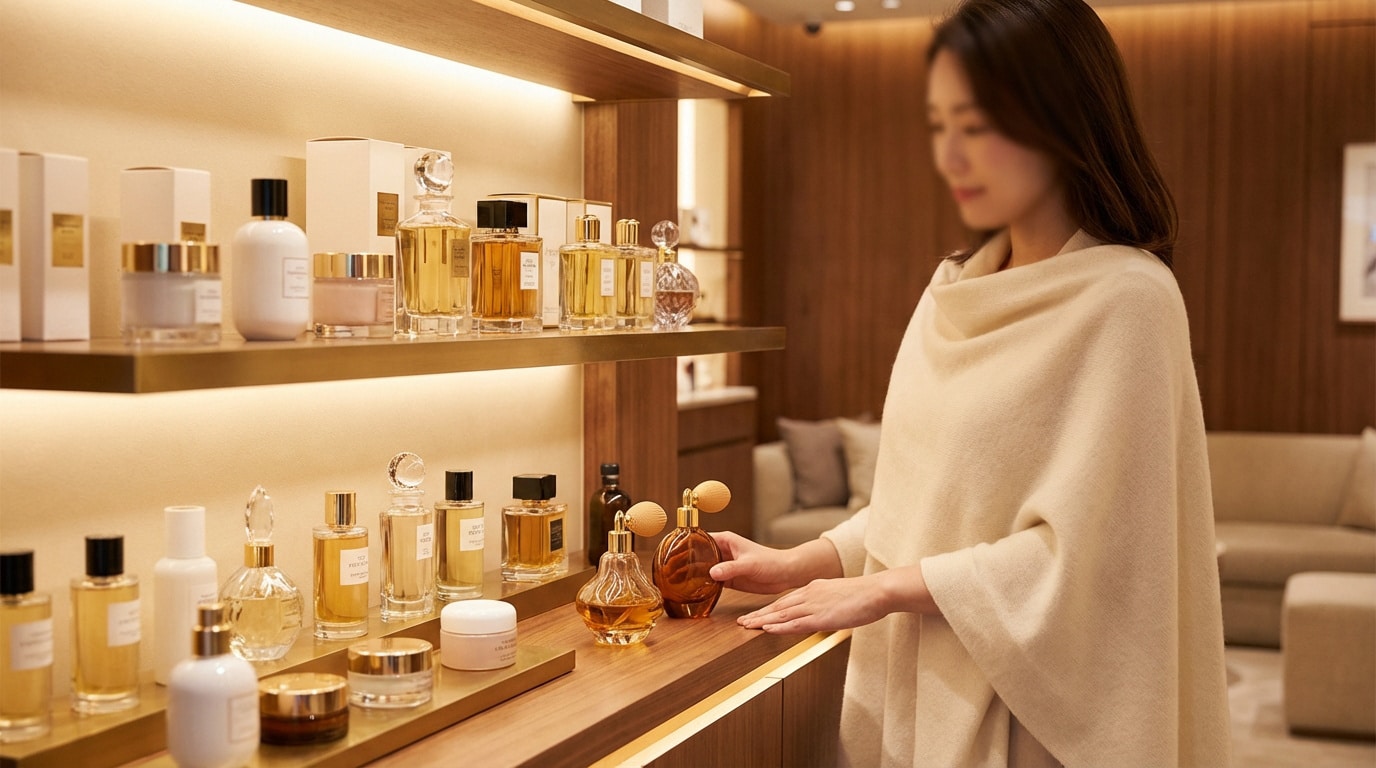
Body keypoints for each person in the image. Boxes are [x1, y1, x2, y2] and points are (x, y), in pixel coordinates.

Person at [708, 0, 1232, 765]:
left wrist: (883, 590)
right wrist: (803, 561)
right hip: (913, 680)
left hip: (1033, 716)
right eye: (943, 123)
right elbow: (925, 506)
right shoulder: (950, 293)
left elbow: (1096, 562)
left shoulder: (1130, 301)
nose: (954, 155)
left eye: (980, 124)